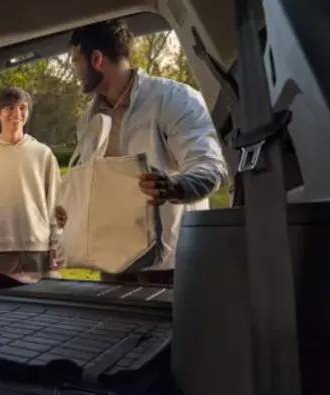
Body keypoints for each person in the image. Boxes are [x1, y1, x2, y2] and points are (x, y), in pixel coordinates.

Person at [55, 19, 228, 285]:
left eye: (75, 60)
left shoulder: (175, 99)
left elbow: (210, 166)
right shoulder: (87, 121)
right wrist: (70, 208)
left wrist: (175, 187)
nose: (73, 69)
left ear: (97, 59)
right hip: (112, 264)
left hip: (170, 265)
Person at [0, 87, 63, 282]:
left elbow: (56, 202)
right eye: (10, 108)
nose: (17, 114)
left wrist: (56, 244)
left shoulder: (43, 154)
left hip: (38, 249)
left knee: (43, 300)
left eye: (22, 108)